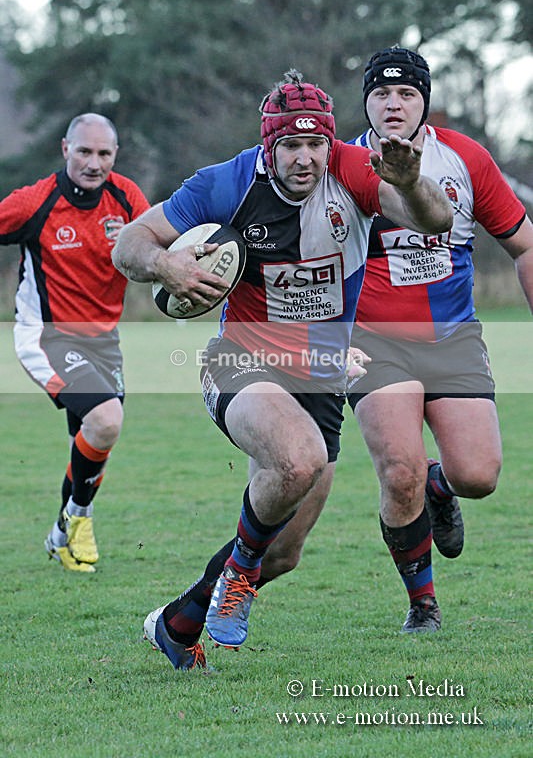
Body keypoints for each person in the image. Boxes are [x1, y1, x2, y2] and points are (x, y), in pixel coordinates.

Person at [113, 69, 452, 670]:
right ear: (269, 145)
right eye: (290, 146)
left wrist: (412, 180)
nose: (304, 158)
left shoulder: (353, 169)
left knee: (283, 553)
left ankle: (177, 623)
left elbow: (434, 221)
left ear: (329, 141)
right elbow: (130, 245)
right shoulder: (228, 181)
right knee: (297, 459)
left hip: (320, 378)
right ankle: (235, 577)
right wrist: (166, 266)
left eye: (314, 144)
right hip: (240, 361)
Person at [343, 46, 533, 633]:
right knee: (398, 472)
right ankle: (421, 604)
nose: (393, 103)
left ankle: (440, 485)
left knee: (478, 476)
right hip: (375, 344)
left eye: (406, 93)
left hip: (452, 340)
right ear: (367, 102)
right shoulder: (342, 163)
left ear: (425, 100)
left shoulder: (466, 158)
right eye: (381, 93)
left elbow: (523, 243)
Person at [0, 113, 150, 572]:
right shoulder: (35, 202)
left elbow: (156, 244)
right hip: (47, 335)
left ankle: (61, 532)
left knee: (89, 441)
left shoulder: (126, 198)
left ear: (115, 156)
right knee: (106, 421)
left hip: (105, 340)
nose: (93, 162)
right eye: (84, 151)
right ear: (66, 148)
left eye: (104, 153)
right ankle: (80, 519)